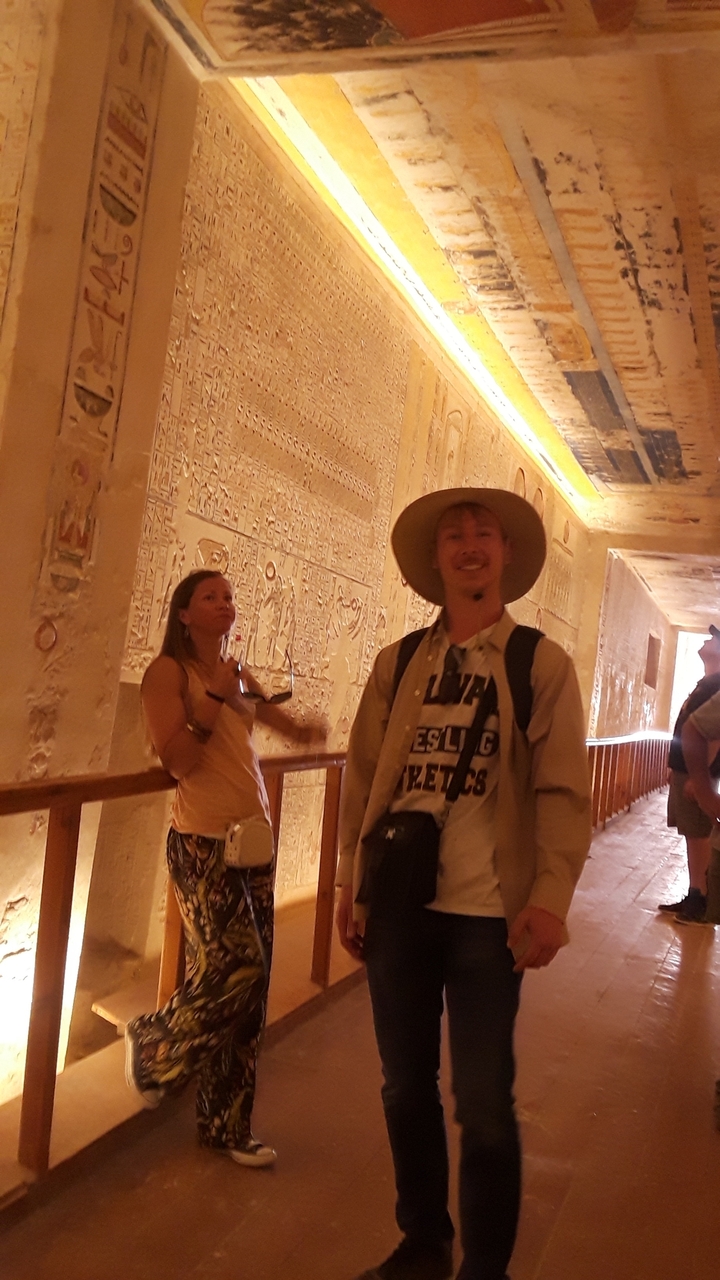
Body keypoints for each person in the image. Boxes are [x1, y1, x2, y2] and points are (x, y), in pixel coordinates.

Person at [336, 488, 592, 1280]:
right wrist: (356, 886)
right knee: (403, 1085)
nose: (470, 545)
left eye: (485, 533)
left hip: (487, 914)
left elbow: (559, 790)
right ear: (437, 558)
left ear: (507, 555)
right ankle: (423, 1241)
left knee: (483, 1105)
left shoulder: (538, 664)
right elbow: (366, 781)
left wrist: (548, 898)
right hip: (404, 905)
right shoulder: (400, 662)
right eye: (456, 535)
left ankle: (485, 1266)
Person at [124, 568, 326, 1166]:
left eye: (229, 597)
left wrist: (307, 730)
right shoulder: (169, 673)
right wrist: (213, 695)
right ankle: (153, 1040)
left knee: (253, 987)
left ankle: (225, 1124)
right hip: (202, 844)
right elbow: (180, 762)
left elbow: (275, 721)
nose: (224, 605)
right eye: (210, 597)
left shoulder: (235, 672)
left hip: (250, 845)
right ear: (183, 614)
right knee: (237, 967)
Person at [657, 626, 720, 924]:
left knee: (698, 834)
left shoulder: (718, 686)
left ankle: (702, 899)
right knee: (691, 834)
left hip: (697, 774)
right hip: (687, 770)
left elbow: (714, 737)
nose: (709, 639)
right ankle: (695, 892)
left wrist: (700, 777)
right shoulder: (706, 683)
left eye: (715, 638)